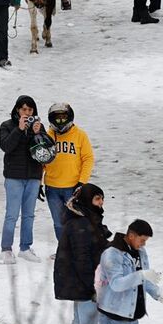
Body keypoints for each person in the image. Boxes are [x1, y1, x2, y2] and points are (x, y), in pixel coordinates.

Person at [97, 220, 163, 324]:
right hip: (114, 318)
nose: (144, 244)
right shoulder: (112, 254)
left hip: (132, 317)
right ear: (131, 236)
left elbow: (144, 278)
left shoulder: (141, 252)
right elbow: (116, 284)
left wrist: (157, 292)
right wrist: (141, 275)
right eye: (142, 240)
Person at [54, 183, 109, 324]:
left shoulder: (85, 219)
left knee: (79, 323)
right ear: (86, 200)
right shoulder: (81, 223)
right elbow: (82, 258)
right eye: (97, 199)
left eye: (102, 199)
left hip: (78, 281)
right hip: (84, 282)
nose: (101, 203)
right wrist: (93, 286)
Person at [0, 95, 47, 264]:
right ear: (17, 110)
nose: (27, 112)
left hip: (33, 177)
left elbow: (47, 152)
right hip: (13, 177)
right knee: (11, 215)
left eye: (30, 109)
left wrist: (38, 133)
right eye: (24, 109)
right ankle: (6, 249)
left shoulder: (38, 127)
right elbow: (6, 147)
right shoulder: (7, 125)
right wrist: (19, 129)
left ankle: (25, 247)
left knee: (29, 215)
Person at [44, 102, 94, 241]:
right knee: (58, 222)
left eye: (63, 118)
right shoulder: (47, 136)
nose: (60, 121)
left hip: (73, 187)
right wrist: (37, 182)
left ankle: (77, 251)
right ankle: (63, 251)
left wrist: (81, 182)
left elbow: (88, 159)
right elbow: (41, 160)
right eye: (57, 118)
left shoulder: (80, 135)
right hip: (52, 187)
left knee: (76, 221)